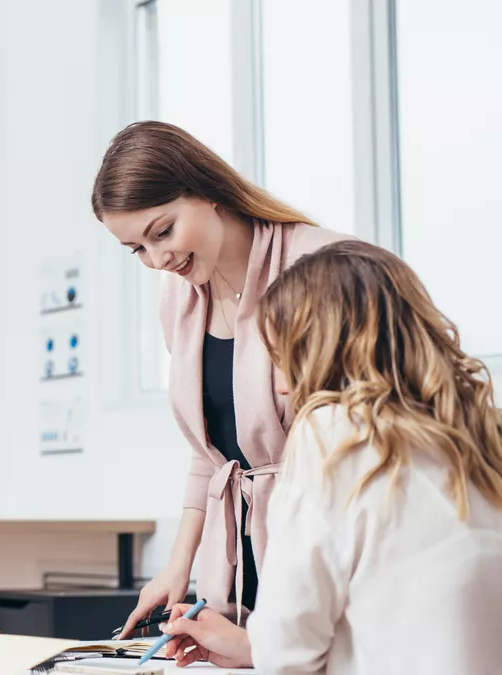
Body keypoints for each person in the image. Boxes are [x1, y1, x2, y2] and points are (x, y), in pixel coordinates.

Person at [157, 240, 502, 674]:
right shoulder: (480, 432)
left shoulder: (332, 435)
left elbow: (289, 655)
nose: (282, 388)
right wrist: (250, 647)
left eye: (282, 359)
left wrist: (264, 648)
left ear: (321, 351)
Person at [91, 121, 353, 633]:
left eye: (163, 231)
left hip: (325, 545)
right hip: (240, 559)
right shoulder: (180, 299)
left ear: (208, 190)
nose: (158, 259)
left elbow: (366, 434)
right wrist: (178, 564)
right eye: (137, 249)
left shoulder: (324, 266)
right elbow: (210, 450)